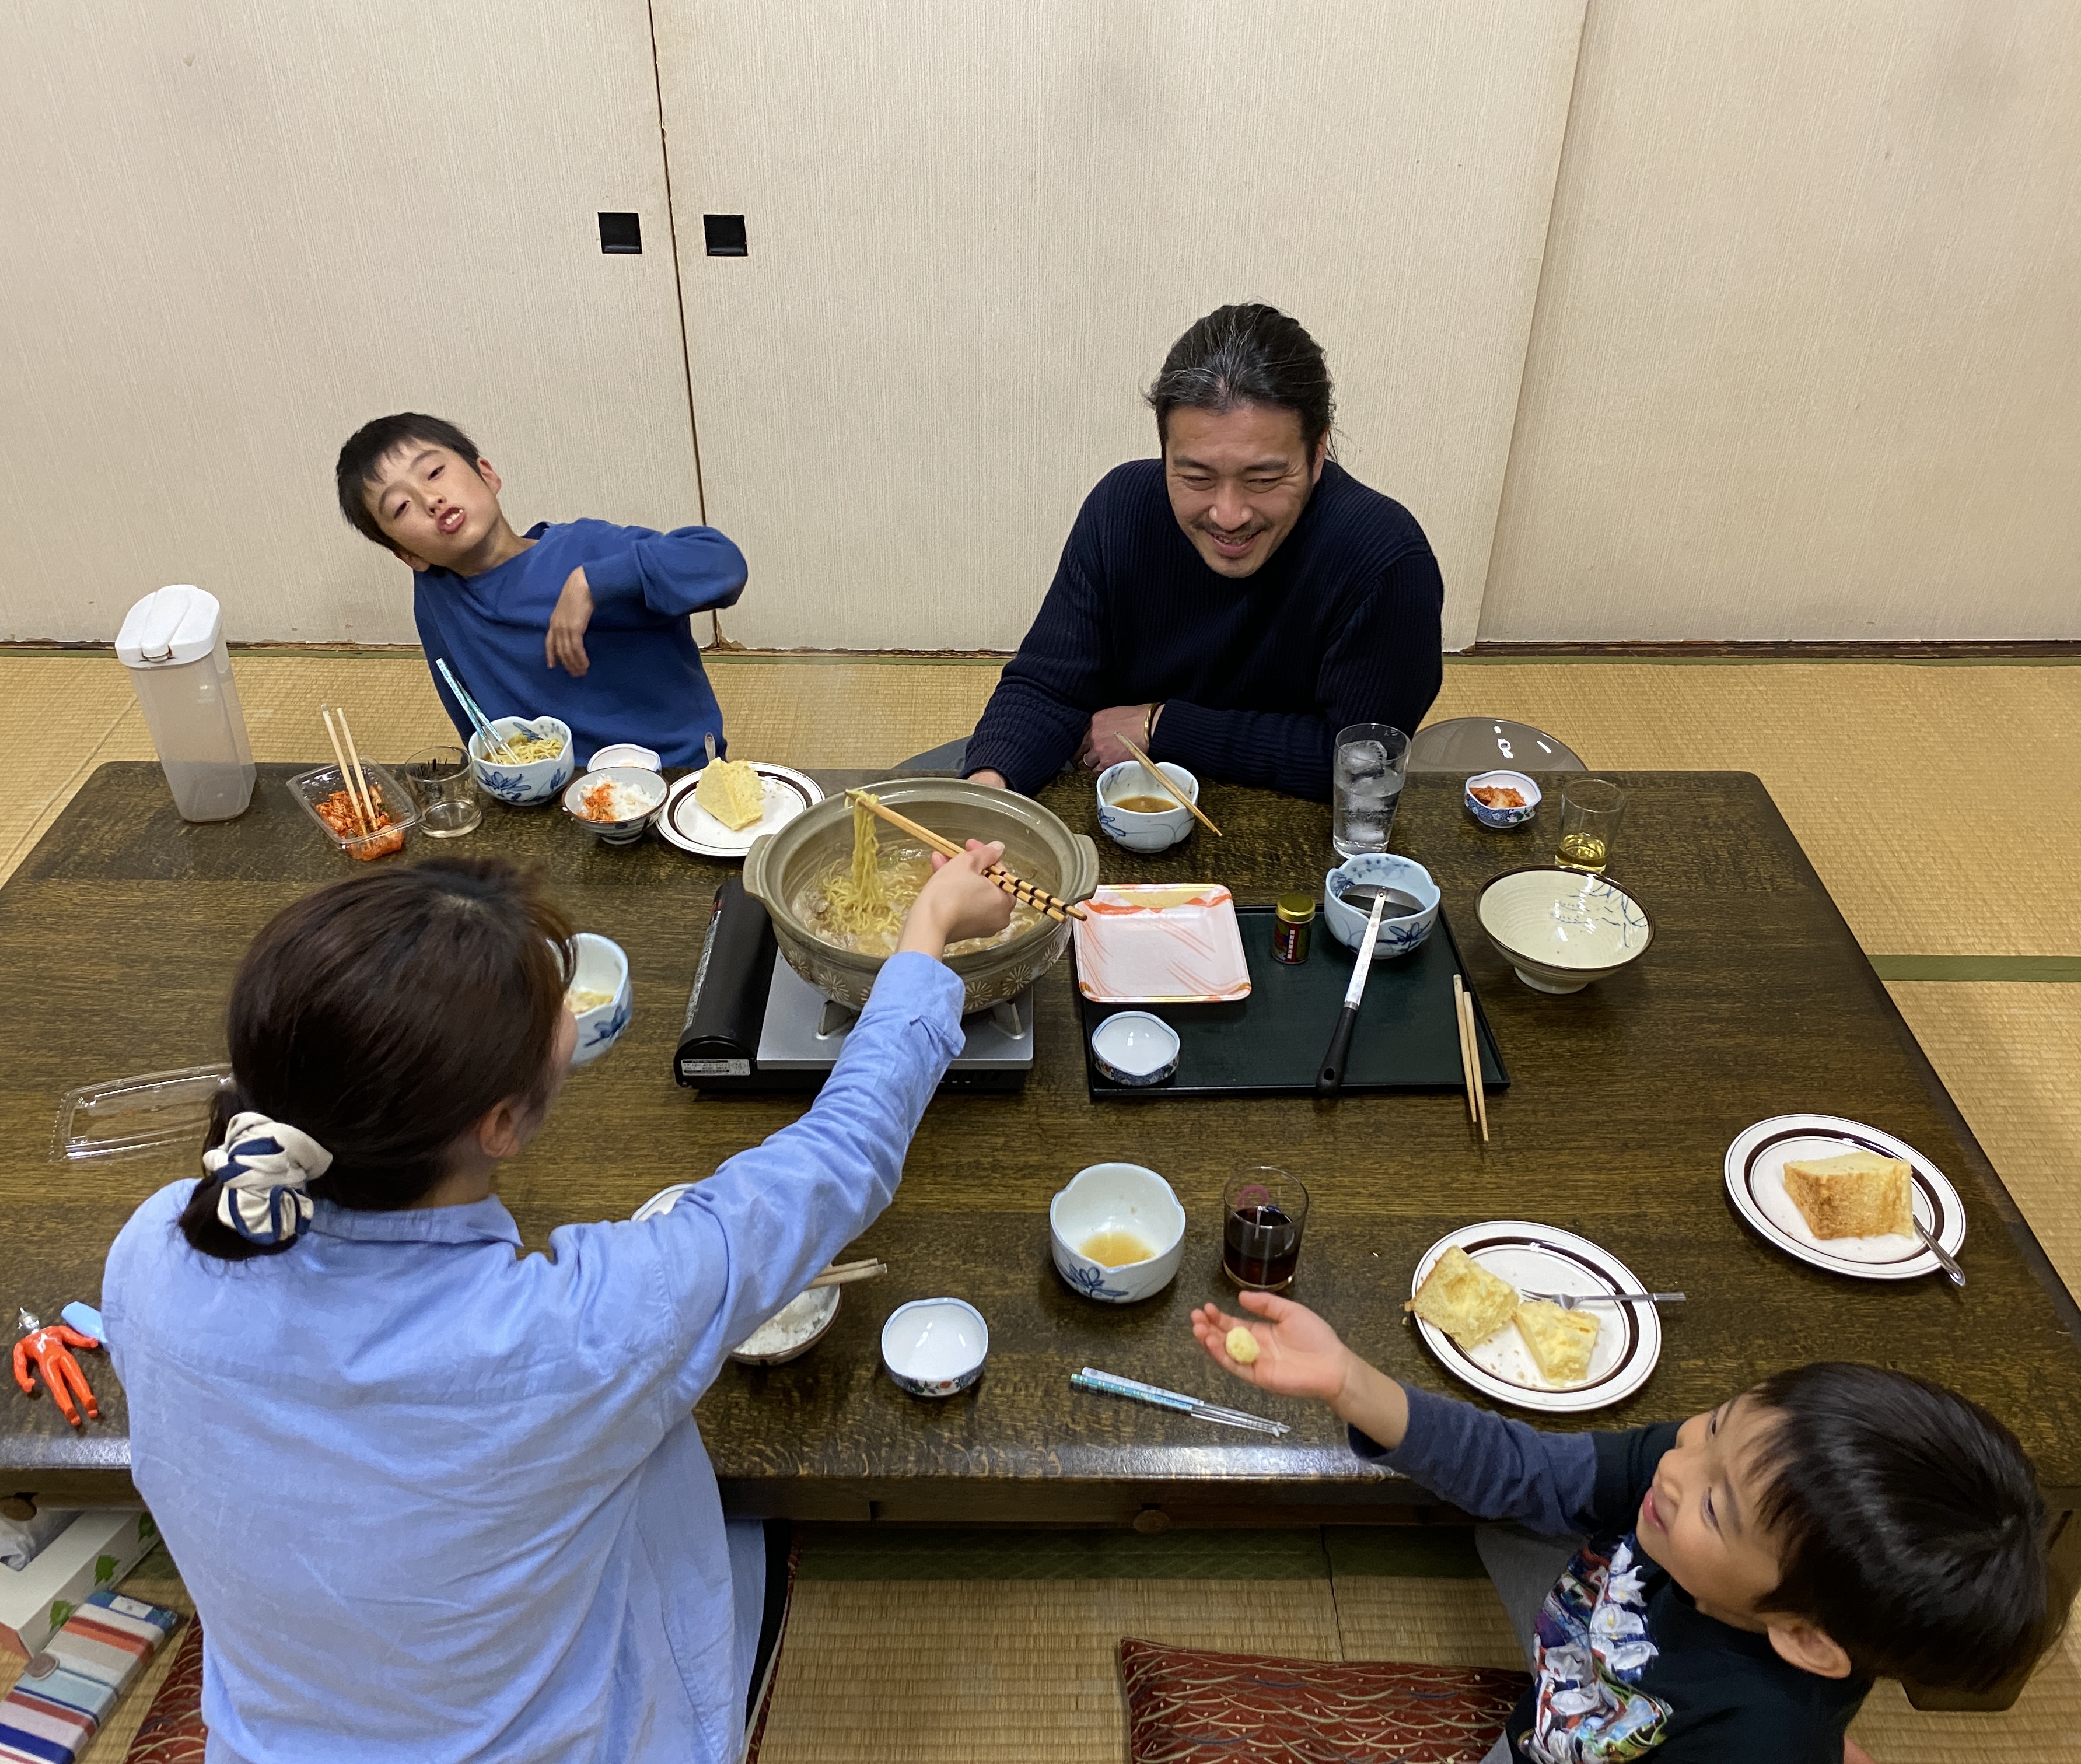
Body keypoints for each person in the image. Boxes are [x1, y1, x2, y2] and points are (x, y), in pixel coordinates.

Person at [103, 846, 1013, 1763]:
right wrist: (926, 933)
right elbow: (838, 1157)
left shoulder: (156, 1246)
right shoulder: (576, 1331)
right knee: (750, 1521)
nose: (569, 1021)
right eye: (555, 1015)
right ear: (499, 1124)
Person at [1189, 1291, 2056, 1764]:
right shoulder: (1704, 1481)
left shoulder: (1747, 1738)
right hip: (1600, 1662)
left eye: (1716, 1506)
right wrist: (1349, 1382)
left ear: (1802, 1635)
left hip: (1607, 1728)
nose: (1675, 1469)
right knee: (1519, 1509)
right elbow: (1525, 1470)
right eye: (1714, 1424)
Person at [962, 303, 1443, 802]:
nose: (1228, 515)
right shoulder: (1122, 508)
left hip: (1287, 816)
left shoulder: (1385, 560)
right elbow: (1049, 685)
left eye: (1263, 479)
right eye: (1196, 478)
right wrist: (989, 788)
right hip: (1120, 795)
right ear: (1165, 452)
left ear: (1318, 453)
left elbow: (1361, 763)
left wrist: (1162, 726)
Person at [334, 412, 744, 769]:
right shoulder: (437, 593)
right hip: (551, 799)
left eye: (434, 473)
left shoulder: (586, 548)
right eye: (401, 507)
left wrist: (591, 582)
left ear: (487, 474)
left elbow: (723, 564)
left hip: (673, 774)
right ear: (408, 556)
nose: (430, 499)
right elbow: (468, 709)